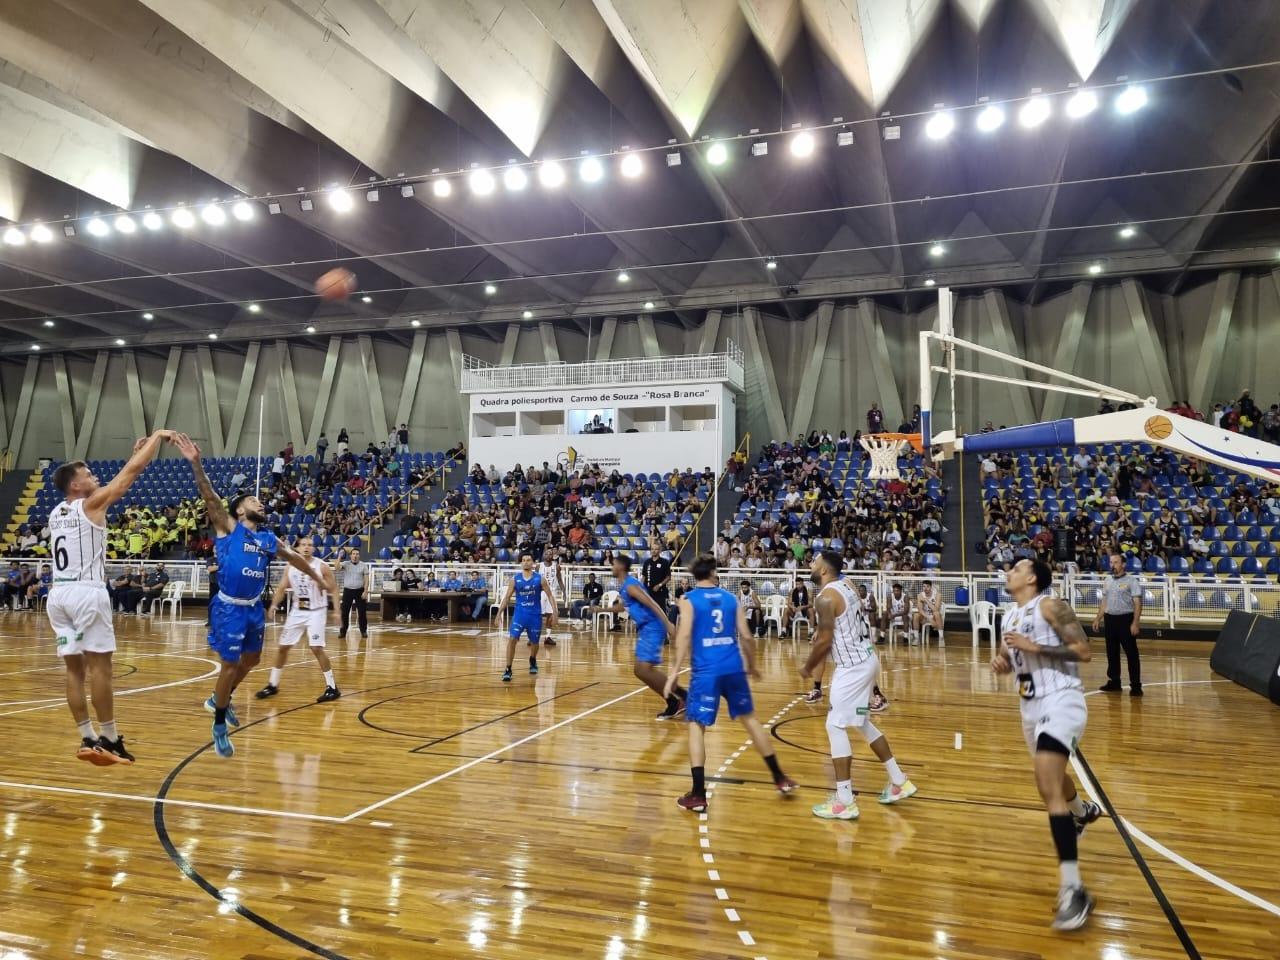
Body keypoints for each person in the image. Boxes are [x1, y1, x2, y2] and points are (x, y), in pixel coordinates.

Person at [174, 433, 325, 759]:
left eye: (260, 500)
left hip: (253, 609)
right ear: (239, 510)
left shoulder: (269, 538)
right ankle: (217, 725)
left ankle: (220, 699)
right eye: (252, 500)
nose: (260, 502)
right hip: (229, 608)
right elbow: (210, 496)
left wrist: (315, 574)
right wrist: (196, 463)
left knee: (252, 661)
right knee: (229, 666)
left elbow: (294, 557)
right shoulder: (229, 528)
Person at [47, 429, 174, 765]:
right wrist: (156, 438)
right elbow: (126, 477)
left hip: (58, 595)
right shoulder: (90, 504)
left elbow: (125, 477)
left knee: (74, 672)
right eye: (88, 474)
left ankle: (87, 736)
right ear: (76, 485)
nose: (94, 476)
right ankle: (110, 737)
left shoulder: (56, 513)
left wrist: (138, 456)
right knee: (101, 669)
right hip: (86, 593)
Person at [993, 558, 1102, 930]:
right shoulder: (1008, 617)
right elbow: (1011, 654)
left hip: (1062, 699)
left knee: (1047, 784)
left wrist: (1036, 648)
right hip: (1029, 707)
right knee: (1051, 784)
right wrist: (1003, 661)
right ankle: (1080, 811)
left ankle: (1074, 890)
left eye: (1016, 567)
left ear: (1032, 577)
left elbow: (1084, 652)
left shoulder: (1052, 606)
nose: (1009, 571)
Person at [665, 554, 797, 812]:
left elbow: (682, 638)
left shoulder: (689, 600)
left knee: (696, 726)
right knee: (751, 720)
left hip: (706, 672)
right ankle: (780, 778)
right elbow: (747, 637)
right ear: (713, 573)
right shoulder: (731, 598)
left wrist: (673, 673)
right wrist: (753, 665)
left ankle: (698, 794)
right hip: (733, 666)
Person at [803, 551, 916, 821]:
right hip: (867, 657)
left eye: (814, 561)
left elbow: (825, 640)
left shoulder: (824, 598)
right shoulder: (849, 584)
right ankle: (899, 780)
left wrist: (808, 666)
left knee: (835, 725)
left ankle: (844, 800)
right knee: (862, 722)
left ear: (824, 571)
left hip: (852, 667)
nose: (810, 563)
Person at [256, 536, 340, 703]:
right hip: (297, 610)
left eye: (310, 545)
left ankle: (332, 687)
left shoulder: (321, 566)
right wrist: (273, 605)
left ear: (314, 548)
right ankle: (273, 684)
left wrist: (337, 611)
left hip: (316, 610)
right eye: (303, 545)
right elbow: (281, 587)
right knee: (282, 648)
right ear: (297, 548)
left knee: (316, 648)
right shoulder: (291, 566)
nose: (307, 547)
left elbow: (334, 589)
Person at [609, 555, 684, 720]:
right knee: (641, 671)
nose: (611, 566)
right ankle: (679, 698)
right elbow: (624, 606)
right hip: (646, 628)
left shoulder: (630, 586)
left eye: (613, 564)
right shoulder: (626, 586)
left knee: (643, 670)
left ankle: (678, 700)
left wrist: (668, 625)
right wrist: (601, 610)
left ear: (621, 566)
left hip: (653, 626)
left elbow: (652, 603)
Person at [497, 553, 558, 682]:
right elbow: (507, 598)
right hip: (520, 615)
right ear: (521, 563)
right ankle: (508, 668)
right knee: (512, 639)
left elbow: (550, 595)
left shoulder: (540, 579)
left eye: (528, 560)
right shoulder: (515, 579)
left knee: (535, 643)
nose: (526, 562)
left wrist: (555, 612)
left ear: (532, 563)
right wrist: (498, 613)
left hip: (535, 616)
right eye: (523, 560)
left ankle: (533, 659)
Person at [1094, 553, 1143, 696]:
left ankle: (1136, 686)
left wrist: (1135, 622)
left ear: (1123, 564)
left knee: (1131, 654)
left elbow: (1138, 603)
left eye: (1115, 562)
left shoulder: (1132, 581)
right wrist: (1098, 618)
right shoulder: (1107, 580)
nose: (1112, 565)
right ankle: (1114, 682)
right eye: (1111, 562)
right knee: (1111, 653)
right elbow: (1104, 601)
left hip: (1125, 620)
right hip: (1110, 620)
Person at [337, 548, 370, 640]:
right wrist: (339, 556)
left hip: (360, 590)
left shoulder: (363, 565)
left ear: (359, 555)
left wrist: (365, 591)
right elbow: (337, 568)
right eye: (353, 554)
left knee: (362, 612)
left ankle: (363, 631)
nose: (355, 556)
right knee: (344, 612)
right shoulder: (346, 564)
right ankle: (343, 631)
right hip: (348, 591)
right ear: (350, 555)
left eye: (357, 554)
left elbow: (367, 579)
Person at [641, 544, 673, 623]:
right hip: (648, 593)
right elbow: (644, 577)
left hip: (660, 593)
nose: (654, 551)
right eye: (652, 549)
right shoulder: (647, 562)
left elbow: (668, 577)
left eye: (656, 549)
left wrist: (659, 585)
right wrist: (641, 588)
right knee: (647, 613)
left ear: (659, 551)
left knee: (661, 613)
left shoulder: (664, 562)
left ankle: (664, 631)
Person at [538, 548, 563, 646]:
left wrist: (564, 592)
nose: (548, 555)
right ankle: (533, 637)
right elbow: (534, 580)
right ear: (544, 555)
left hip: (552, 593)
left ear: (553, 556)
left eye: (550, 554)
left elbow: (560, 580)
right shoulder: (538, 566)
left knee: (550, 615)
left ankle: (547, 637)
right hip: (540, 593)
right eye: (547, 554)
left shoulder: (556, 566)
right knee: (537, 615)